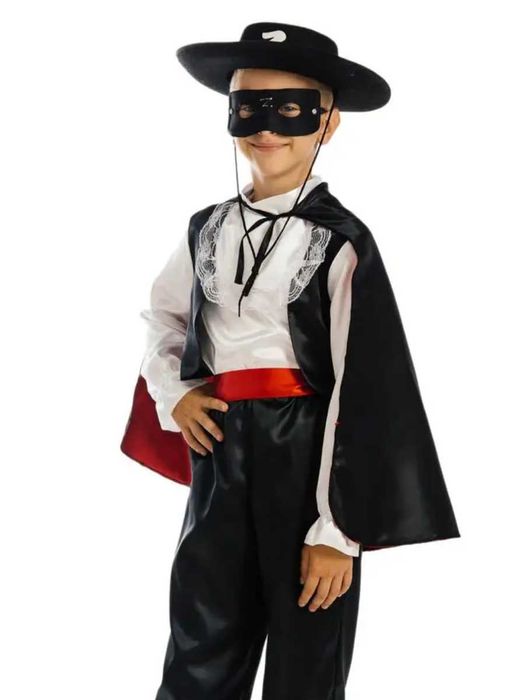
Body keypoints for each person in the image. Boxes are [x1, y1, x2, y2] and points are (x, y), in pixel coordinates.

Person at [120, 22, 461, 699]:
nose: (267, 126)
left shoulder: (340, 242)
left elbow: (364, 384)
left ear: (326, 124)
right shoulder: (207, 228)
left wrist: (337, 531)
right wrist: (175, 394)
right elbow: (164, 316)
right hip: (220, 446)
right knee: (201, 631)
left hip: (306, 451)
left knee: (308, 644)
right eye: (248, 107)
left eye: (290, 109)